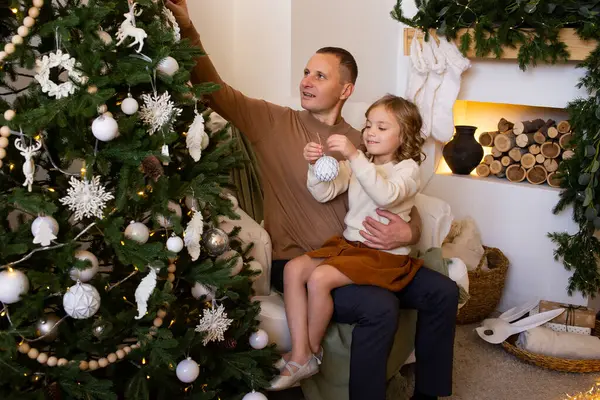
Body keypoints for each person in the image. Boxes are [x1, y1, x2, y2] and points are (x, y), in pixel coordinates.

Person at [166, 2, 459, 399]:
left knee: (442, 292)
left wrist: (410, 229)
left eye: (320, 75)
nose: (307, 80)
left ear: (346, 89)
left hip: (362, 255)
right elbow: (214, 88)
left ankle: (429, 395)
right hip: (304, 261)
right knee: (380, 309)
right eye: (306, 72)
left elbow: (397, 193)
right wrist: (188, 27)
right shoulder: (271, 122)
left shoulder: (363, 141)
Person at [269, 95, 426, 391]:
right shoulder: (360, 163)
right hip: (351, 246)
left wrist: (354, 155)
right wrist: (316, 166)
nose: (370, 132)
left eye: (381, 127)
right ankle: (301, 352)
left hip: (383, 255)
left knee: (319, 278)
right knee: (293, 269)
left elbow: (386, 195)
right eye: (368, 125)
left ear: (403, 134)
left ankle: (308, 353)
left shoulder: (407, 170)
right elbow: (323, 192)